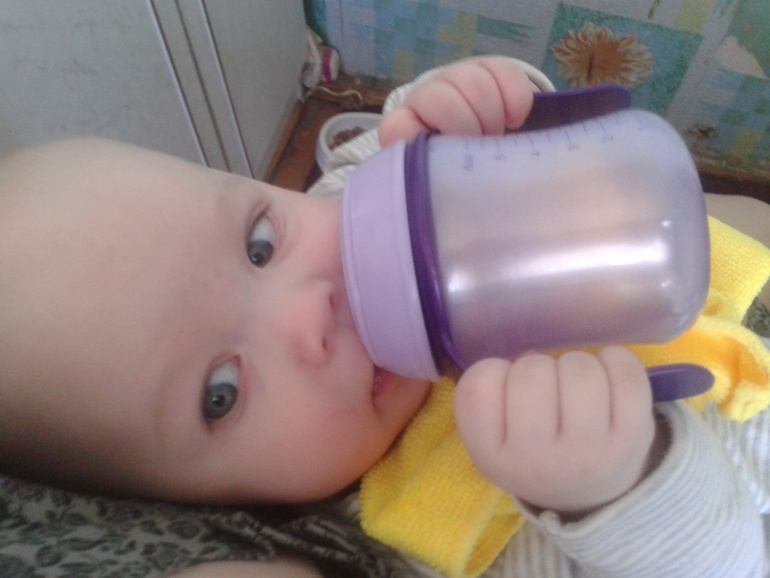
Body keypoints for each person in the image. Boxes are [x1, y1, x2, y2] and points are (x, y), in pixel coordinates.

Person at [0, 56, 769, 577]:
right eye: (220, 394)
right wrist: (617, 488)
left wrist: (473, 106)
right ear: (204, 506)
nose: (312, 307)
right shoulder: (410, 533)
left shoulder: (345, 206)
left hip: (677, 252)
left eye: (260, 243)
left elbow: (404, 148)